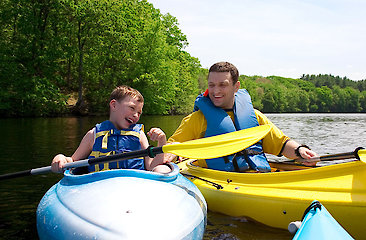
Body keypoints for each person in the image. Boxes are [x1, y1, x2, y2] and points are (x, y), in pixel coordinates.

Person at [167, 62, 318, 172]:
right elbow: (171, 149)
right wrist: (167, 156)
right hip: (219, 179)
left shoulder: (255, 116)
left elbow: (282, 144)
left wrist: (300, 151)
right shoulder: (196, 119)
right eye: (211, 85)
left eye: (222, 85)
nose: (215, 91)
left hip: (257, 176)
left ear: (236, 86)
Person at [51, 85, 170, 173]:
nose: (136, 115)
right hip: (101, 184)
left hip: (134, 182)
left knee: (161, 169)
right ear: (114, 105)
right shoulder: (94, 134)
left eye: (139, 112)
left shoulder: (139, 135)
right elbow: (72, 161)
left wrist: (161, 142)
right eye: (132, 108)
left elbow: (151, 166)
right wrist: (61, 158)